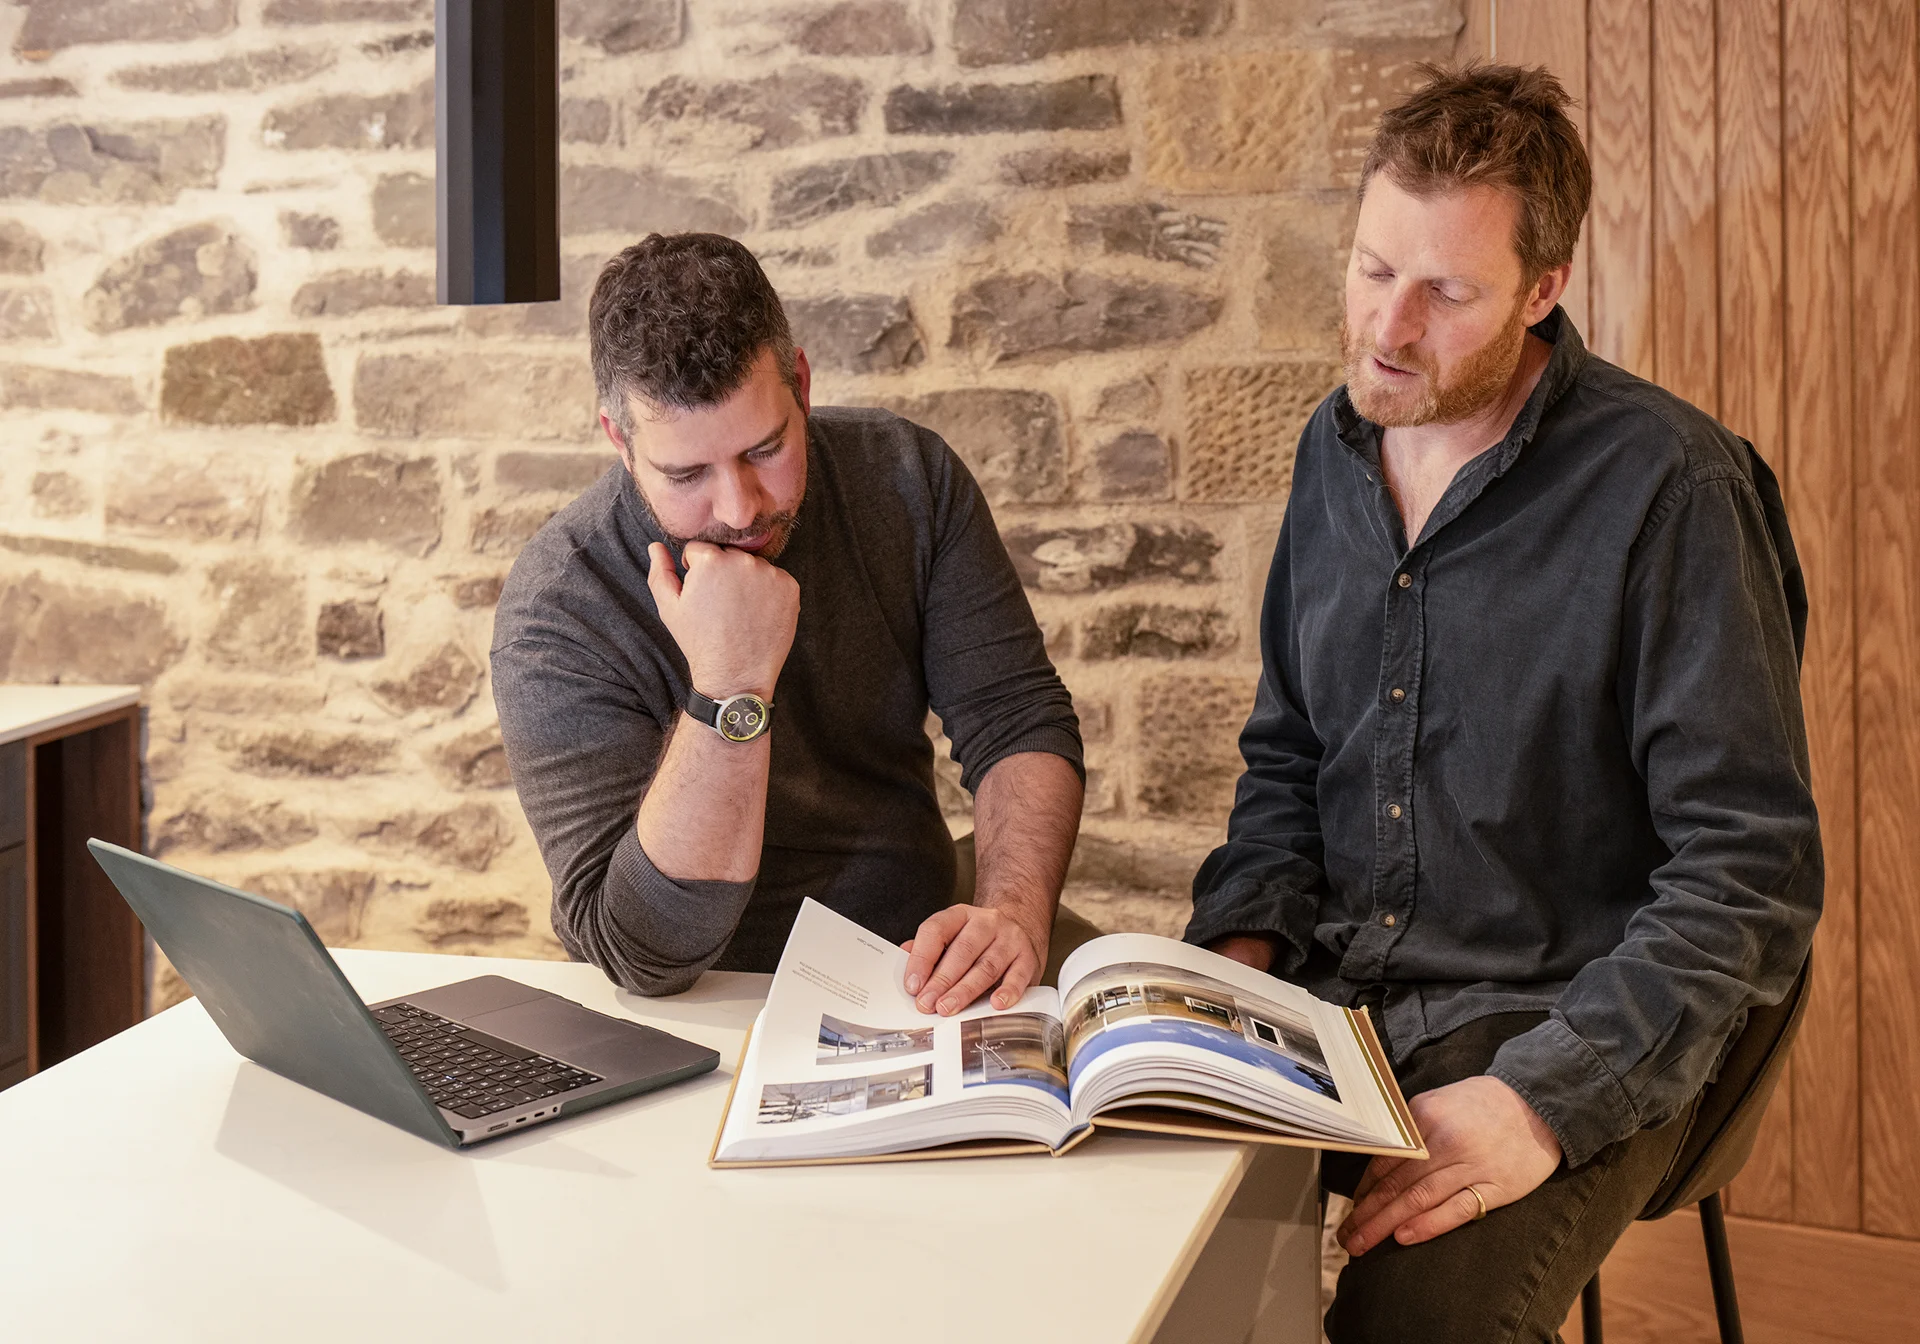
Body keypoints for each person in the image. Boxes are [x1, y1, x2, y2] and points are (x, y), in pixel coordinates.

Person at [1185, 63, 1821, 1342]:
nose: (1387, 328)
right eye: (1372, 268)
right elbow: (1291, 752)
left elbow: (1744, 876)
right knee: (1118, 1235)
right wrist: (1235, 961)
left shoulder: (1672, 490)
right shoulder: (1335, 446)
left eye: (1447, 292)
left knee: (1411, 1328)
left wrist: (1540, 1101)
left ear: (1542, 291)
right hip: (1336, 997)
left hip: (1559, 1017)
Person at [492, 232, 1083, 1015]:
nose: (740, 510)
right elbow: (644, 952)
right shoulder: (559, 606)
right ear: (620, 442)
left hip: (913, 969)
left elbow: (1016, 718)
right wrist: (732, 687)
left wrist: (1011, 911)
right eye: (687, 474)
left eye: (765, 449)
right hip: (695, 1006)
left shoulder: (907, 479)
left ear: (800, 384)